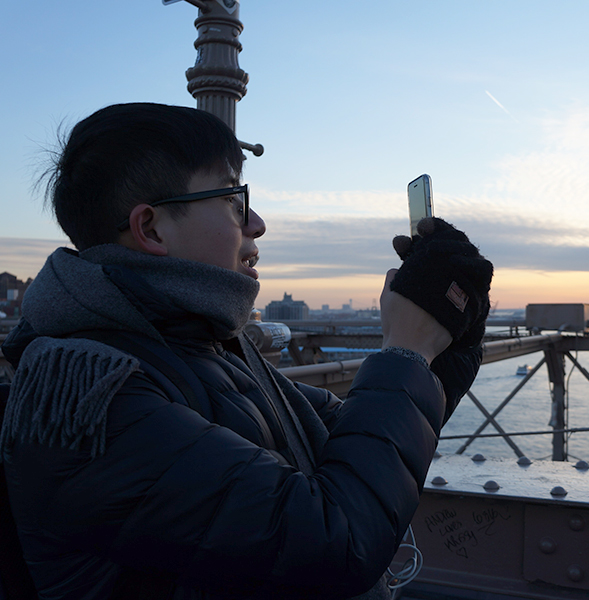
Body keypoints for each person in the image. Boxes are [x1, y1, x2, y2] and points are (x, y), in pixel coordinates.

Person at [0, 103, 493, 599]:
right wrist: (404, 352)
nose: (257, 224)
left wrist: (453, 330)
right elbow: (335, 539)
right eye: (236, 201)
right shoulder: (89, 397)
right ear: (151, 229)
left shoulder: (201, 346)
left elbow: (368, 443)